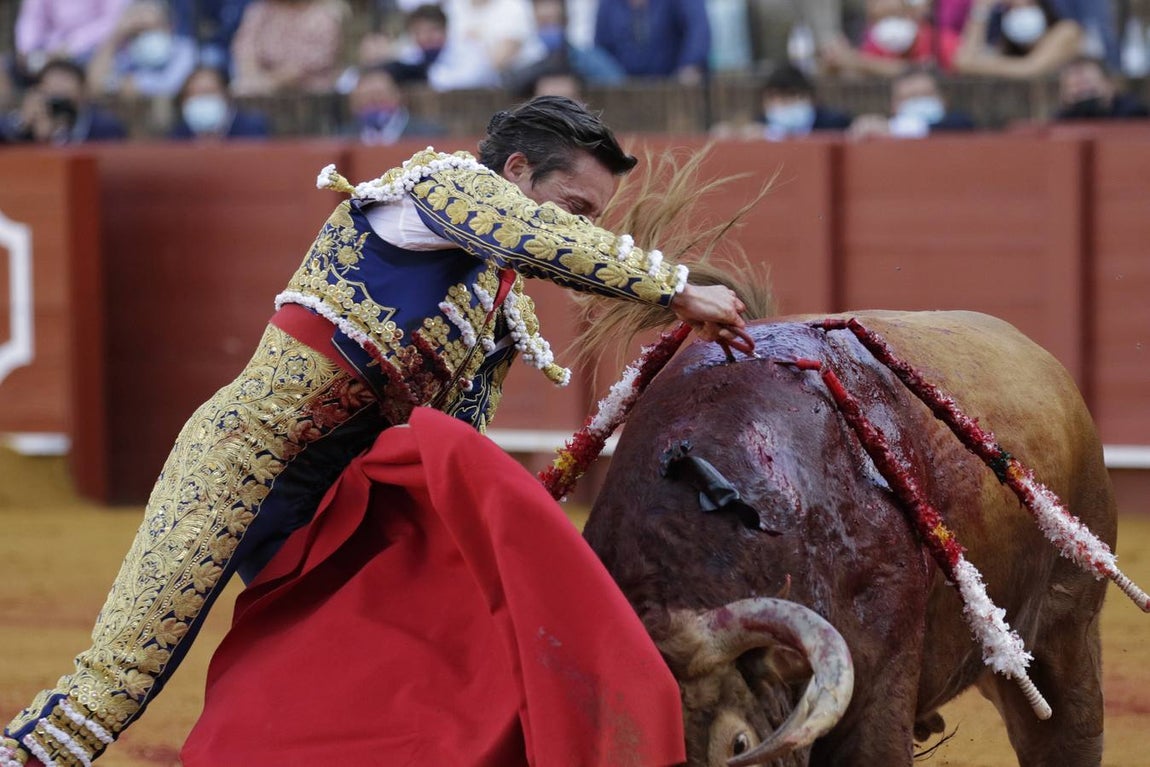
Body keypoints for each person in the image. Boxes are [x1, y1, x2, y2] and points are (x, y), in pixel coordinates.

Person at [0, 95, 751, 767]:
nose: (577, 226)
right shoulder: (435, 189)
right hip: (244, 463)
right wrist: (675, 287)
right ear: (516, 169)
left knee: (392, 666)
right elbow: (527, 232)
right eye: (573, 207)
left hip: (343, 516)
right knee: (116, 682)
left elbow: (450, 447)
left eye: (589, 218)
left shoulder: (497, 309)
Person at [230, 0, 349, 95]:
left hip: (309, 94)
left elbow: (303, 67)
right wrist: (253, 78)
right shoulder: (259, 12)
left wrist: (268, 83)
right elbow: (245, 50)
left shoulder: (323, 16)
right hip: (261, 89)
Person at [85, 0, 198, 98]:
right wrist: (116, 36)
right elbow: (96, 85)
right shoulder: (127, 54)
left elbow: (171, 85)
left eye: (152, 28)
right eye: (139, 31)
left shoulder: (184, 49)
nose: (146, 36)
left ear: (168, 27)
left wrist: (136, 84)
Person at [820, 0, 964, 76]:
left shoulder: (941, 41)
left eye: (896, 16)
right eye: (883, 20)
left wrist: (858, 62)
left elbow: (912, 72)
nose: (891, 28)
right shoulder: (873, 45)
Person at [2, 58, 127, 144]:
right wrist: (23, 123)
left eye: (63, 88)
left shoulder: (104, 128)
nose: (57, 97)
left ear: (83, 92)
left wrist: (59, 136)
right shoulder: (24, 126)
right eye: (51, 90)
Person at [953, 0, 1083, 79]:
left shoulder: (1067, 30)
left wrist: (985, 66)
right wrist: (981, 10)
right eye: (1013, 8)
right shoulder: (1006, 46)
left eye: (1029, 4)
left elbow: (1031, 69)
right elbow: (963, 61)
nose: (1021, 12)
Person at [594, 0, 711, 84]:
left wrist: (690, 66)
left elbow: (698, 30)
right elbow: (601, 48)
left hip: (672, 84)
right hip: (622, 87)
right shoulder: (609, 4)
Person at [849, 66, 977, 138]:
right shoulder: (883, 131)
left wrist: (894, 129)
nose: (919, 103)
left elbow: (962, 125)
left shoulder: (960, 124)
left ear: (942, 99)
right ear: (894, 105)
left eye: (925, 95)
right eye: (910, 98)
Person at [342, 64, 447, 144]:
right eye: (366, 98)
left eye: (380, 96)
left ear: (398, 95)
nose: (374, 103)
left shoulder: (430, 135)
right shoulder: (342, 138)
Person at [169, 65, 271, 140]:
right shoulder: (178, 137)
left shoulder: (251, 130)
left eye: (208, 92)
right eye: (195, 94)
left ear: (226, 96)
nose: (203, 100)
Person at [754, 63, 853, 139]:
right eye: (774, 98)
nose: (783, 104)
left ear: (810, 97)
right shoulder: (760, 127)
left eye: (791, 96)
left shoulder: (835, 123)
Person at [1054, 54, 1150, 120]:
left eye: (1087, 83)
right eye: (1075, 86)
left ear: (1108, 85)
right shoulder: (1061, 123)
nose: (1083, 93)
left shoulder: (1133, 114)